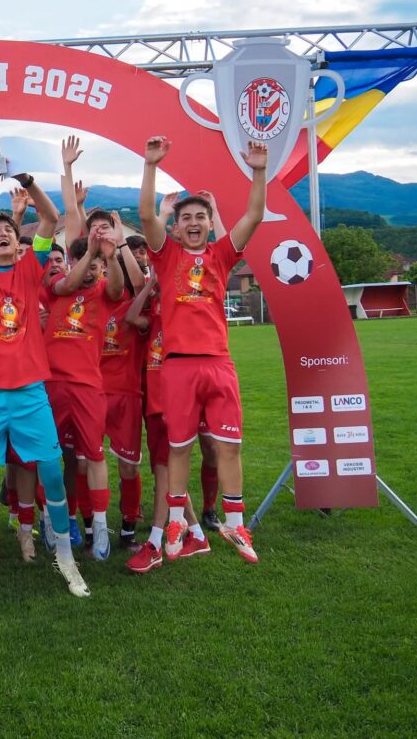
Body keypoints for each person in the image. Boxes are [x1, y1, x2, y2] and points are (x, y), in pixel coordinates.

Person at [0, 154, 90, 609]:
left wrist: (28, 179)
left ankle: (66, 559)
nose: (4, 233)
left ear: (17, 243)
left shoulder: (29, 269)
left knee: (52, 475)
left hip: (30, 395)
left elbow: (50, 217)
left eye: (9, 229)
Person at [138, 135, 267, 565]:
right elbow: (146, 215)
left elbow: (254, 214)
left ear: (211, 224)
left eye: (200, 217)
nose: (193, 223)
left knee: (229, 445)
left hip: (218, 364)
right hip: (177, 368)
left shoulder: (222, 255)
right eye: (185, 218)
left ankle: (234, 521)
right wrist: (151, 165)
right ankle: (176, 520)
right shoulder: (166, 256)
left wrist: (259, 172)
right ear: (175, 228)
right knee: (179, 447)